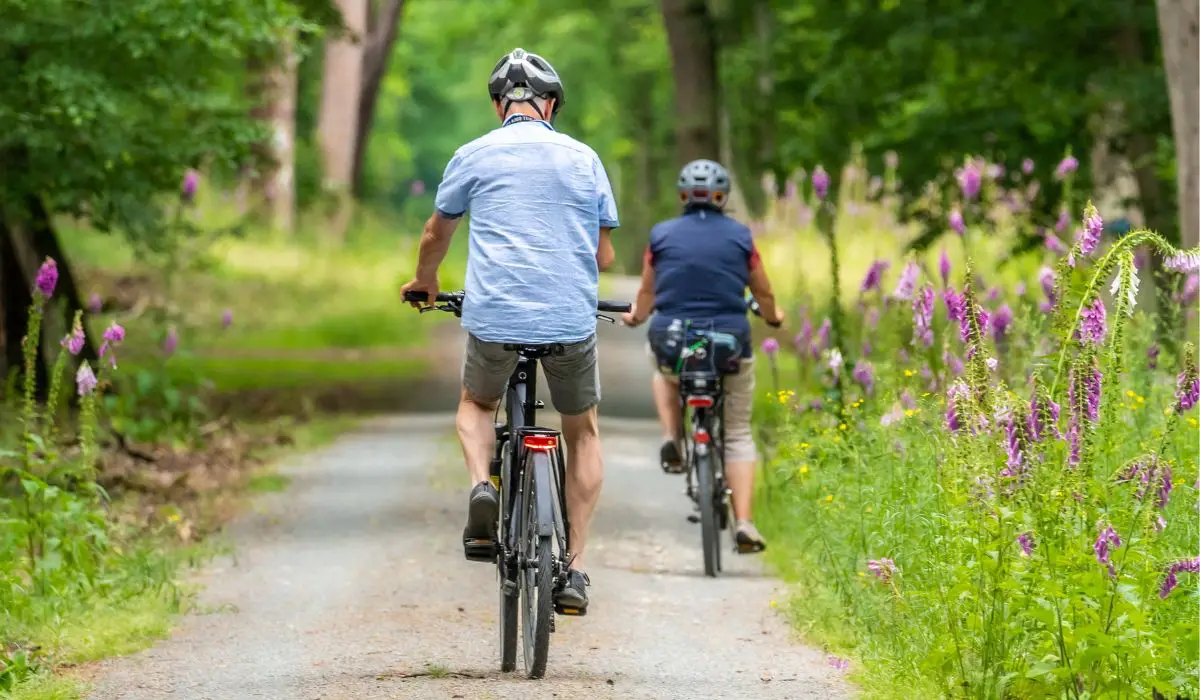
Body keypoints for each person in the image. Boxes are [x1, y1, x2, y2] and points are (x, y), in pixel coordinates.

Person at [399, 48, 619, 614]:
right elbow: (605, 252)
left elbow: (435, 234)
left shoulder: (473, 154)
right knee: (584, 431)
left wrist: (426, 282)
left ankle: (482, 485)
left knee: (476, 403)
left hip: (495, 316)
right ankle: (574, 570)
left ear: (500, 105)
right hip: (570, 319)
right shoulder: (584, 158)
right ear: (551, 105)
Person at [622, 159, 783, 553]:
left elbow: (647, 292)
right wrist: (775, 317)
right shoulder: (742, 237)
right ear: (722, 196)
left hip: (674, 341)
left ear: (682, 196)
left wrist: (637, 316)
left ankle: (672, 437)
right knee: (739, 433)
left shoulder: (660, 235)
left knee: (662, 369)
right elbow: (762, 292)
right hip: (729, 344)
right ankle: (744, 522)